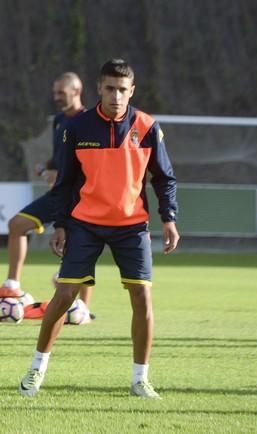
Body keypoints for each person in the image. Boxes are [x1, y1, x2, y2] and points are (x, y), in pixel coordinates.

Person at [18, 59, 179, 399]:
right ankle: (36, 371)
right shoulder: (77, 127)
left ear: (132, 91)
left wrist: (169, 217)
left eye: (123, 89)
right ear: (99, 89)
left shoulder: (148, 126)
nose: (116, 95)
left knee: (143, 298)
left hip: (132, 227)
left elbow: (164, 178)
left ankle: (140, 379)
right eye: (110, 88)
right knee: (63, 297)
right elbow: (65, 183)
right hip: (85, 225)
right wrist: (61, 224)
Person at [0, 72, 93, 313]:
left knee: (79, 244)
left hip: (80, 196)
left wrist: (64, 174)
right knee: (16, 225)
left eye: (61, 93)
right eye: (55, 93)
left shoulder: (89, 123)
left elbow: (91, 162)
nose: (56, 97)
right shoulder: (58, 121)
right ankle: (12, 286)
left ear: (77, 91)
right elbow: (58, 158)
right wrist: (47, 168)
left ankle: (82, 307)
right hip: (58, 194)